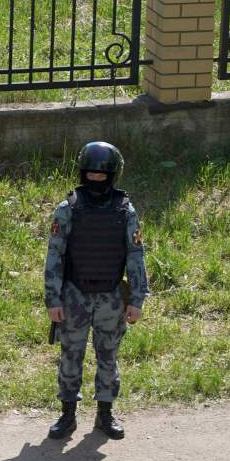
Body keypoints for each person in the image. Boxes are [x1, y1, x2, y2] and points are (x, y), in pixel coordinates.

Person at [45, 142, 150, 440]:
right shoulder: (68, 209)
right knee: (70, 356)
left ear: (113, 176)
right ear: (82, 174)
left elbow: (135, 256)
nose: (95, 181)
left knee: (108, 356)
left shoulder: (125, 210)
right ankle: (67, 415)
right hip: (74, 295)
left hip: (112, 298)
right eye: (90, 175)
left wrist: (138, 299)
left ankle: (105, 414)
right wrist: (53, 298)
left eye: (101, 176)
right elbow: (55, 255)